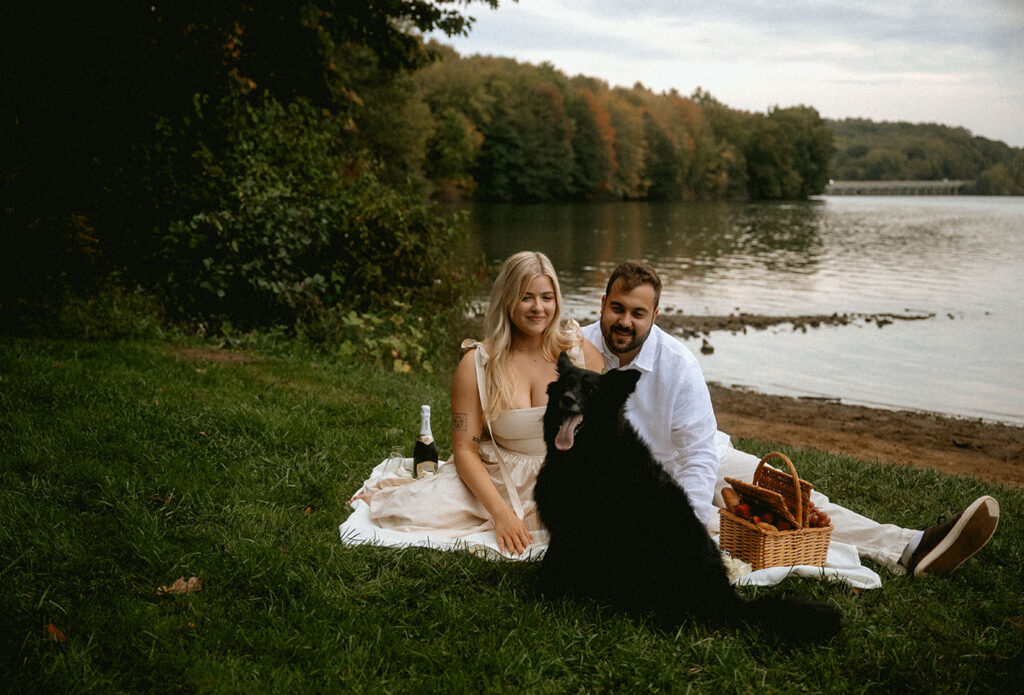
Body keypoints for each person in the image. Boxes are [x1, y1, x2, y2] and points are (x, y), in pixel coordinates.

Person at [582, 261, 1000, 576]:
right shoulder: (574, 347)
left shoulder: (678, 365)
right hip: (637, 481)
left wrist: (685, 521)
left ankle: (912, 546)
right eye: (617, 308)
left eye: (638, 313)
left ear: (655, 316)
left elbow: (697, 454)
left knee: (793, 501)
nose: (624, 321)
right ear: (602, 304)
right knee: (740, 527)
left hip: (702, 459)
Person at [350, 251, 603, 556]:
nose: (538, 308)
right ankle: (393, 496)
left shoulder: (581, 353)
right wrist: (501, 514)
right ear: (507, 300)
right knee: (408, 515)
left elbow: (600, 434)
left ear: (557, 301)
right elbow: (465, 450)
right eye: (526, 297)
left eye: (547, 297)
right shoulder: (478, 364)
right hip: (497, 475)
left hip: (565, 474)